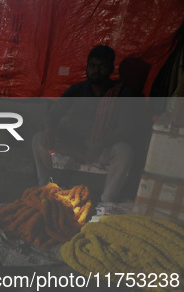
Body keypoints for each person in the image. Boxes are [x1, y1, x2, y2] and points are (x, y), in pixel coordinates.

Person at [32, 45, 139, 203]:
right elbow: (53, 114)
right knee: (39, 139)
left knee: (125, 151)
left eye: (102, 66)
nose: (96, 70)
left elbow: (125, 130)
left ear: (110, 68)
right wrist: (49, 131)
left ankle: (107, 200)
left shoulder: (122, 93)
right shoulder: (78, 89)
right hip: (76, 146)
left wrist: (100, 144)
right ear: (87, 68)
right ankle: (47, 188)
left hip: (104, 150)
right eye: (92, 66)